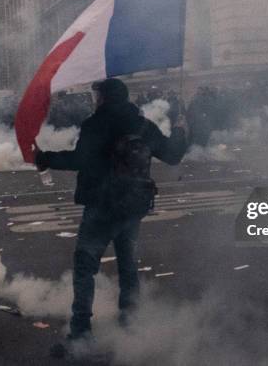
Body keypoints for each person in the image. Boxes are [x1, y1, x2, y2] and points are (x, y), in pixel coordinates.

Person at [35, 78, 187, 355]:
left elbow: (78, 160)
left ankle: (81, 335)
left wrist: (45, 158)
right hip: (132, 205)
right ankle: (130, 321)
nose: (95, 99)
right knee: (128, 263)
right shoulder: (143, 125)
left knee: (85, 266)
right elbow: (173, 155)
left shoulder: (96, 124)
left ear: (104, 97)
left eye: (98, 94)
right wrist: (179, 131)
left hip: (101, 206)